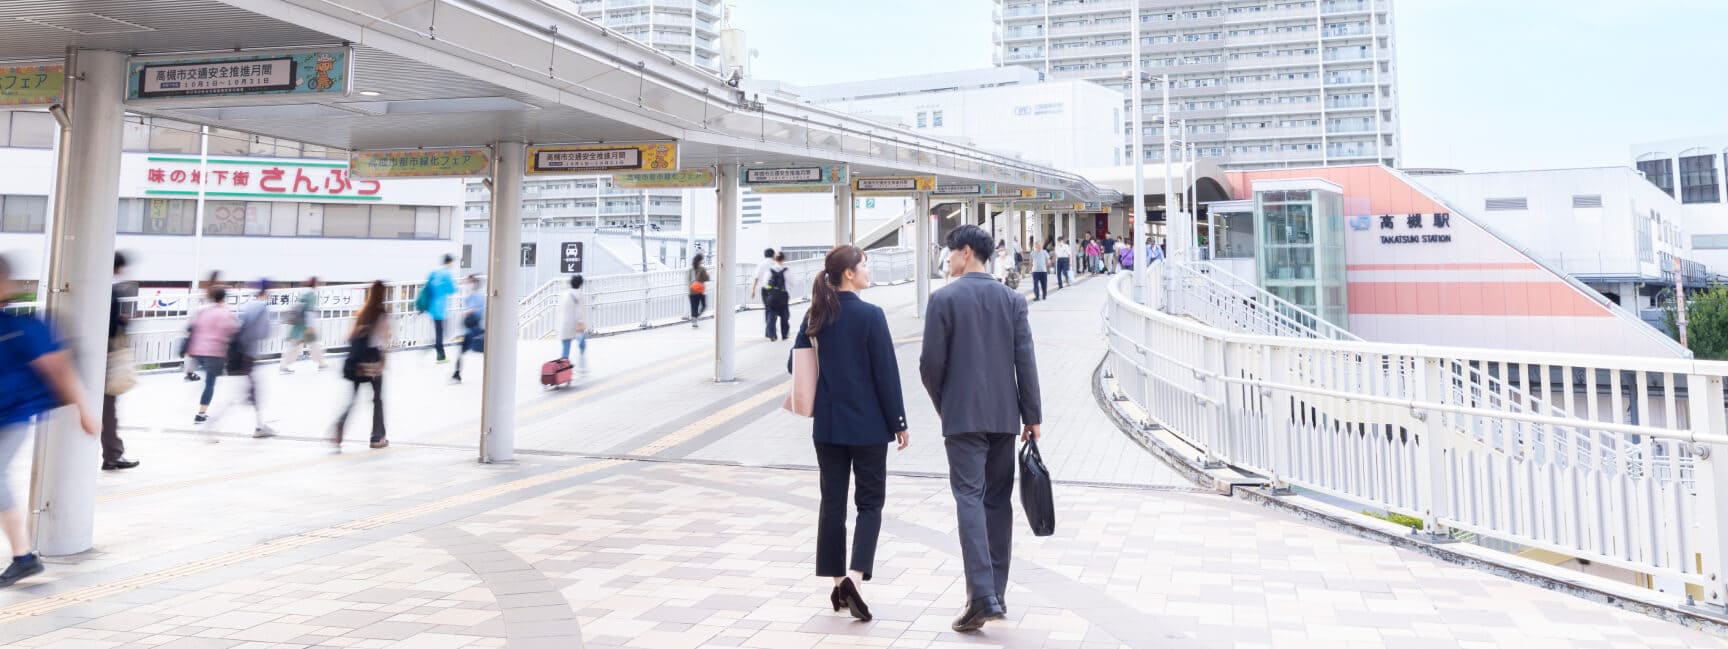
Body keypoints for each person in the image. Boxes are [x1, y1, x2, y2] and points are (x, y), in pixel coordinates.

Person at [920, 224, 1042, 633]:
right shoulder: (1011, 299)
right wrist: (1032, 415)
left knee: (969, 499)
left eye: (950, 252)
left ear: (966, 252)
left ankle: (981, 596)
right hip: (1004, 417)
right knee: (996, 502)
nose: (948, 258)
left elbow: (929, 365)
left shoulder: (943, 299)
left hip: (962, 418)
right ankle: (997, 594)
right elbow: (1024, 358)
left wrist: (944, 405)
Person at [791, 244, 908, 623]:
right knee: (870, 504)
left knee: (832, 504)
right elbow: (886, 375)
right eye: (864, 265)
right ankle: (856, 577)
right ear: (849, 274)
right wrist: (899, 423)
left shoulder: (816, 314)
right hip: (870, 428)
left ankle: (839, 579)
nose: (868, 271)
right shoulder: (872, 316)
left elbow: (794, 364)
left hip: (827, 427)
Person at [0, 255, 100, 588]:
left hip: (12, 415)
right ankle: (24, 557)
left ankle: (24, 557)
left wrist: (84, 409)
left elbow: (59, 368)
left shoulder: (22, 327)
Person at [336, 281, 391, 449]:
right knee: (377, 400)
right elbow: (381, 341)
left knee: (352, 400)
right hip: (373, 365)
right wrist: (383, 361)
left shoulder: (362, 313)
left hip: (357, 364)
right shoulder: (381, 313)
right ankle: (377, 438)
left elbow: (350, 337)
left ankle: (340, 424)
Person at [102, 252, 139, 471]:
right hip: (105, 356)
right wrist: (123, 323)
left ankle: (112, 453)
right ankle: (113, 455)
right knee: (107, 408)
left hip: (88, 356)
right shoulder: (112, 291)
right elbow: (112, 325)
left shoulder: (93, 286)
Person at [186, 284, 238, 429]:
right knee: (210, 383)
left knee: (208, 381)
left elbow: (191, 327)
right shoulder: (225, 313)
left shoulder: (202, 310)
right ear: (223, 298)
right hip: (214, 352)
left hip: (197, 351)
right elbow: (234, 331)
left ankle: (200, 409)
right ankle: (201, 413)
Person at [234, 280, 276, 438]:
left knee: (251, 390)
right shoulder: (262, 308)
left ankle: (260, 426)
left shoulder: (247, 306)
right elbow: (263, 333)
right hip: (249, 353)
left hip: (240, 352)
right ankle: (259, 427)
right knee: (243, 393)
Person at [182, 270, 220, 382]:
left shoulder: (207, 288)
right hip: (209, 320)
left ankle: (190, 372)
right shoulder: (214, 289)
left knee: (195, 348)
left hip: (202, 320)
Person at [281, 276, 325, 373]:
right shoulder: (311, 294)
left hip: (299, 324)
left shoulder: (304, 292)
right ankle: (321, 364)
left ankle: (322, 363)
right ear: (315, 284)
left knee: (303, 345)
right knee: (308, 345)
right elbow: (309, 311)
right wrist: (310, 326)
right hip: (304, 325)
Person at [423, 254, 458, 363]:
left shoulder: (434, 272)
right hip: (440, 307)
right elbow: (452, 290)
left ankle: (438, 351)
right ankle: (440, 355)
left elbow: (428, 285)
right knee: (441, 332)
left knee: (439, 330)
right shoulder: (447, 273)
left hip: (432, 306)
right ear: (449, 262)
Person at [451, 275, 485, 383]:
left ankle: (456, 375)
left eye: (468, 283)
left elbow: (474, 311)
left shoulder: (476, 296)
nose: (466, 285)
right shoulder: (474, 296)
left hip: (473, 328)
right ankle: (456, 374)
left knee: (466, 350)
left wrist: (467, 312)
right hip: (471, 329)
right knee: (464, 351)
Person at [758, 252, 792, 341]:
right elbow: (793, 282)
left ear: (775, 259)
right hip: (783, 296)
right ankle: (784, 335)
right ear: (783, 259)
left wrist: (771, 289)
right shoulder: (786, 270)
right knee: (784, 316)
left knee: (771, 315)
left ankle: (772, 335)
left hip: (772, 297)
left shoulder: (770, 270)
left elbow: (765, 284)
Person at [559, 275, 589, 373]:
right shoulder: (580, 295)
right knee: (582, 344)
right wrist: (581, 324)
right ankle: (581, 365)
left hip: (564, 324)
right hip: (575, 325)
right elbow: (580, 312)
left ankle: (563, 370)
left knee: (565, 347)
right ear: (580, 284)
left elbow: (559, 309)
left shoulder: (565, 294)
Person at [688, 254, 710, 328]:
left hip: (691, 291)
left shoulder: (691, 270)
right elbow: (707, 278)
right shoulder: (702, 269)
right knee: (703, 305)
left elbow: (689, 280)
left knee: (694, 306)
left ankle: (694, 320)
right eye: (702, 259)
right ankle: (696, 317)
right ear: (699, 260)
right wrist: (706, 275)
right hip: (700, 291)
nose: (702, 261)